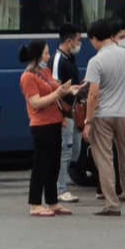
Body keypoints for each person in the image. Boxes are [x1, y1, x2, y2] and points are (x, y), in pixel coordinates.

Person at [82, 17, 125, 216]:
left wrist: (88, 121)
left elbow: (93, 94)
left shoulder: (96, 61)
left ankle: (112, 203)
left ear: (94, 38)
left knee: (105, 159)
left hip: (102, 115)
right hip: (124, 113)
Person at [19, 39, 74, 217]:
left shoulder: (45, 71)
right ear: (37, 56)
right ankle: (35, 203)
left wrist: (70, 89)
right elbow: (36, 102)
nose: (49, 57)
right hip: (41, 125)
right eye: (46, 53)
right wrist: (57, 93)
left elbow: (57, 89)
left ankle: (53, 201)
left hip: (55, 121)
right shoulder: (28, 77)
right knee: (41, 165)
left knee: (54, 164)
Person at [51, 25, 82, 204]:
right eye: (78, 40)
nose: (80, 44)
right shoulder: (59, 60)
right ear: (69, 41)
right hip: (64, 112)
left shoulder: (70, 58)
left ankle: (62, 179)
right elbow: (55, 89)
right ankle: (60, 188)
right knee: (65, 150)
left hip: (74, 110)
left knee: (74, 149)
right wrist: (61, 114)